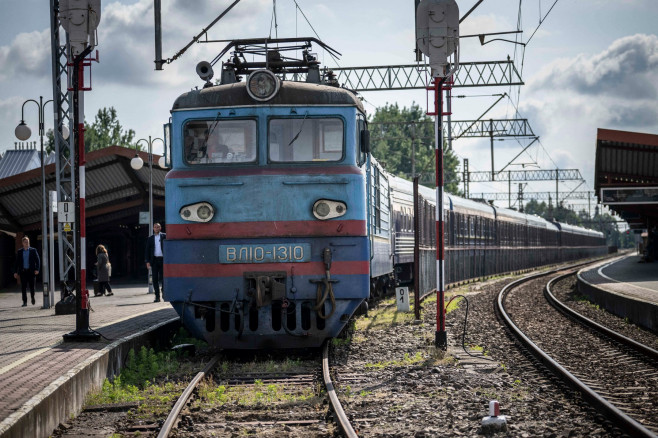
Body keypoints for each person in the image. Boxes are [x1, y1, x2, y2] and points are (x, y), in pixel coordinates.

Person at [13, 236, 40, 307]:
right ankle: (24, 301)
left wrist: (37, 269)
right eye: (25, 242)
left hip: (31, 272)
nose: (27, 243)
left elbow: (37, 260)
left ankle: (32, 297)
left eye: (27, 242)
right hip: (23, 272)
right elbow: (17, 263)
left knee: (32, 287)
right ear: (22, 243)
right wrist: (15, 272)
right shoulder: (19, 251)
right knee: (23, 287)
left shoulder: (33, 250)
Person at [145, 222, 165, 302]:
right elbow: (147, 251)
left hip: (163, 260)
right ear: (153, 228)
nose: (156, 228)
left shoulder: (165, 236)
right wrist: (147, 261)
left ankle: (164, 291)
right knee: (155, 279)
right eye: (155, 227)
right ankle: (157, 296)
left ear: (160, 228)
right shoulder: (150, 238)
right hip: (154, 260)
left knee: (164, 278)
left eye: (158, 227)